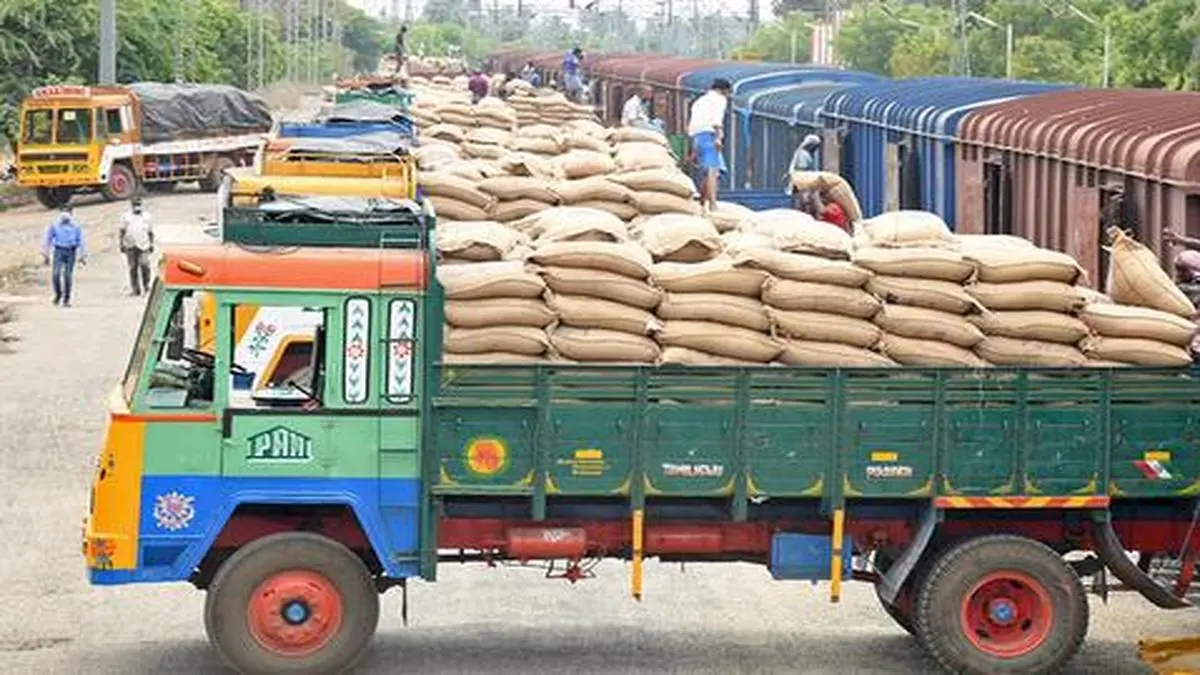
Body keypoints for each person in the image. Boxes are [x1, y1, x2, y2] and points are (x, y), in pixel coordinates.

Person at [687, 78, 732, 213]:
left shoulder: (699, 101)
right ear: (723, 90)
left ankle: (702, 202)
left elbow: (692, 124)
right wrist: (718, 138)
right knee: (713, 171)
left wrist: (694, 149)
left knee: (711, 173)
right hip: (709, 135)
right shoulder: (720, 99)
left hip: (697, 137)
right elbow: (717, 120)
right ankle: (713, 204)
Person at [42, 205, 87, 307]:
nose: (65, 214)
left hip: (71, 251)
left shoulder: (76, 227)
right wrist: (46, 254)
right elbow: (47, 239)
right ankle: (58, 294)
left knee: (67, 276)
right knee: (56, 274)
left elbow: (81, 241)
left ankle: (66, 299)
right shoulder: (54, 225)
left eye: (67, 212)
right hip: (59, 250)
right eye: (63, 211)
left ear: (71, 213)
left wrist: (82, 255)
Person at [120, 196, 155, 297]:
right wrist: (121, 244)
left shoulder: (147, 217)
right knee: (133, 268)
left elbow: (150, 232)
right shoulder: (126, 217)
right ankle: (135, 289)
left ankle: (146, 285)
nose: (137, 207)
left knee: (145, 265)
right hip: (130, 245)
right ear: (131, 205)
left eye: (138, 204)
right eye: (135, 205)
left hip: (144, 245)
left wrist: (151, 244)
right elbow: (122, 231)